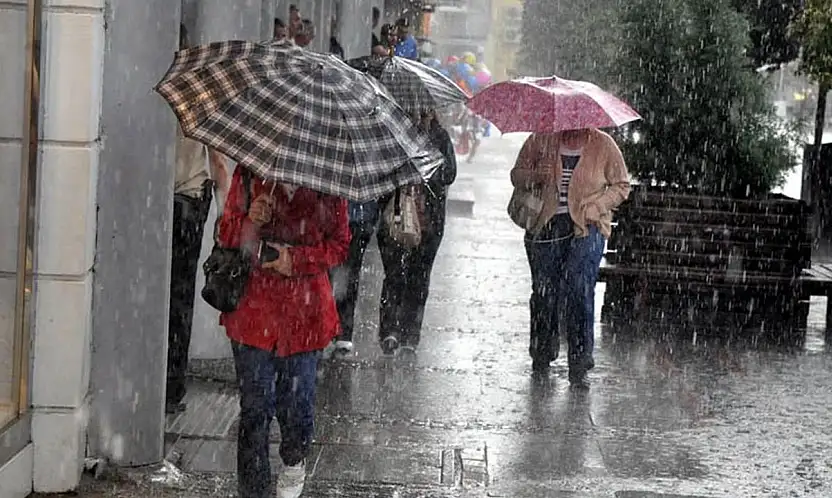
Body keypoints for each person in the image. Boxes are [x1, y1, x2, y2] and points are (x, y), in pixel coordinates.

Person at [217, 166, 349, 497]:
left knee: (298, 404)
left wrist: (296, 259)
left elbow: (340, 245)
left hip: (306, 315)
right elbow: (227, 233)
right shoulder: (250, 173)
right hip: (254, 310)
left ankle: (294, 459)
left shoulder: (329, 179)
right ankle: (253, 490)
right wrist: (251, 221)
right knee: (255, 407)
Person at [510, 128, 630, 388]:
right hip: (546, 223)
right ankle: (542, 352)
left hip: (587, 226)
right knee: (544, 290)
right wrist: (535, 176)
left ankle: (579, 360)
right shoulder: (540, 139)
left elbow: (621, 185)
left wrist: (597, 207)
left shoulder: (603, 144)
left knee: (579, 287)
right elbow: (516, 175)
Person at [166, 23, 229, 415]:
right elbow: (218, 160)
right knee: (180, 294)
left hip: (157, 203)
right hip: (190, 202)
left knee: (158, 295)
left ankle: (156, 379)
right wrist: (225, 213)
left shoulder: (152, 90)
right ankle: (172, 385)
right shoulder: (199, 92)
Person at [376, 110, 457, 355]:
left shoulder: (440, 137)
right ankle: (389, 331)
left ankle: (410, 333)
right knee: (394, 275)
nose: (421, 115)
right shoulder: (394, 133)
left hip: (429, 221)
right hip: (396, 216)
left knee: (419, 278)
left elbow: (449, 174)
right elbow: (380, 171)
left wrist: (426, 169)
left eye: (426, 110)